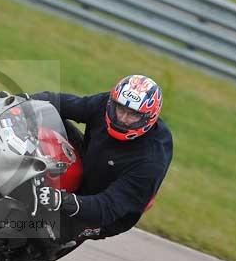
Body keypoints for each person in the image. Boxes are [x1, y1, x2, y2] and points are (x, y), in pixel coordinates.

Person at [29, 74, 173, 251]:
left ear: (148, 118)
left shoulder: (151, 160)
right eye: (120, 109)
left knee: (49, 231)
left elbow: (109, 206)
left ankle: (46, 246)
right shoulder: (107, 104)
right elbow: (67, 104)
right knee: (45, 117)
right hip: (91, 159)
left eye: (133, 115)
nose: (123, 118)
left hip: (111, 210)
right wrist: (24, 101)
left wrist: (61, 200)